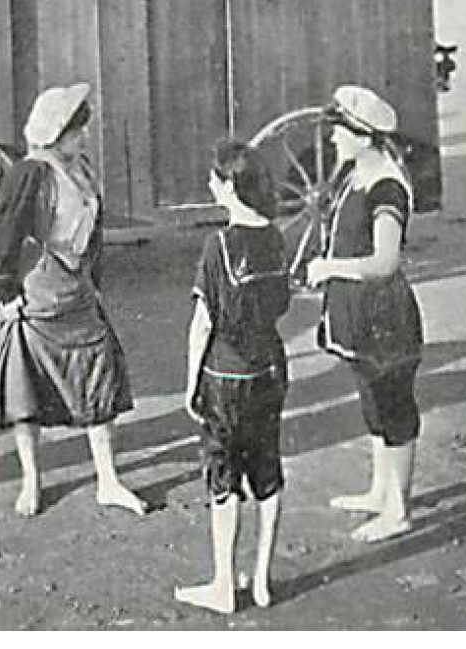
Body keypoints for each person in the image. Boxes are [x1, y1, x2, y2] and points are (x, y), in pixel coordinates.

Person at [0, 82, 146, 518]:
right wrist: (6, 294)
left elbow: (94, 231)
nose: (84, 137)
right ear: (56, 133)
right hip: (36, 298)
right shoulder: (31, 173)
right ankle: (32, 480)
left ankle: (108, 479)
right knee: (25, 390)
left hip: (77, 292)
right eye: (77, 131)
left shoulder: (81, 170)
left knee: (97, 380)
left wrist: (97, 278)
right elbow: (0, 236)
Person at [176, 141, 292, 614]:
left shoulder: (218, 245)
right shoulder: (276, 237)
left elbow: (203, 322)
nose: (209, 184)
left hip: (225, 374)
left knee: (223, 474)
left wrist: (190, 384)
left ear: (227, 186)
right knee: (267, 469)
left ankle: (224, 585)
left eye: (213, 178)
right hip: (270, 366)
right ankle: (262, 580)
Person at [305, 84, 424, 543]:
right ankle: (379, 492)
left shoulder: (386, 186)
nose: (333, 139)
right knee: (373, 404)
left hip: (385, 316)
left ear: (361, 134)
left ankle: (399, 509)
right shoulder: (358, 174)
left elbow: (385, 262)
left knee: (394, 410)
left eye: (338, 131)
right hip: (361, 316)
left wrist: (330, 267)